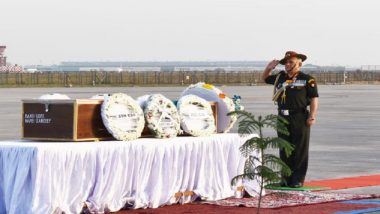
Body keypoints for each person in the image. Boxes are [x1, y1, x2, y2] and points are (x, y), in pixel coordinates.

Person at [262, 51, 319, 188]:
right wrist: (269, 67)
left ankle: (298, 179)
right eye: (286, 62)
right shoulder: (280, 77)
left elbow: (314, 98)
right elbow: (265, 78)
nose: (287, 65)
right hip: (282, 117)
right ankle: (285, 178)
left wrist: (312, 115)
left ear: (299, 63)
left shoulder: (307, 79)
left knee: (300, 149)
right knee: (284, 148)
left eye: (290, 62)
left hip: (299, 117)